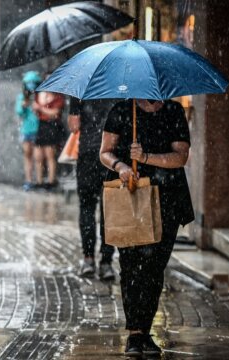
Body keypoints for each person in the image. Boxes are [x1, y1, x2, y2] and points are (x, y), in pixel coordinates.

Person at [100, 99, 194, 357]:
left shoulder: (173, 111)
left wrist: (145, 157)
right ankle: (135, 334)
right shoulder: (121, 110)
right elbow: (105, 152)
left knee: (154, 268)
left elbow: (180, 157)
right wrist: (120, 166)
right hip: (130, 198)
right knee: (130, 266)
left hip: (168, 201)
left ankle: (145, 328)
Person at [68, 98, 116, 280]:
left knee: (87, 207)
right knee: (109, 210)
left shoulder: (82, 89)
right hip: (112, 157)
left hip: (88, 154)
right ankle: (106, 263)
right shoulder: (121, 85)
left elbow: (73, 126)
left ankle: (88, 259)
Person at [33, 74, 64, 190]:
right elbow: (37, 110)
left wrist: (41, 109)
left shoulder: (58, 97)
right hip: (42, 126)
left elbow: (55, 113)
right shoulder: (40, 95)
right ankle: (39, 180)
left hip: (52, 126)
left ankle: (51, 181)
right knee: (38, 156)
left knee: (50, 154)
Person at [14, 71, 41, 191]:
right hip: (26, 130)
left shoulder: (40, 96)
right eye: (29, 83)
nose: (31, 85)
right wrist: (23, 106)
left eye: (33, 83)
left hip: (38, 129)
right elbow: (19, 112)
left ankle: (39, 181)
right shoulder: (21, 97)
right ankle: (28, 180)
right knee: (27, 155)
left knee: (38, 157)